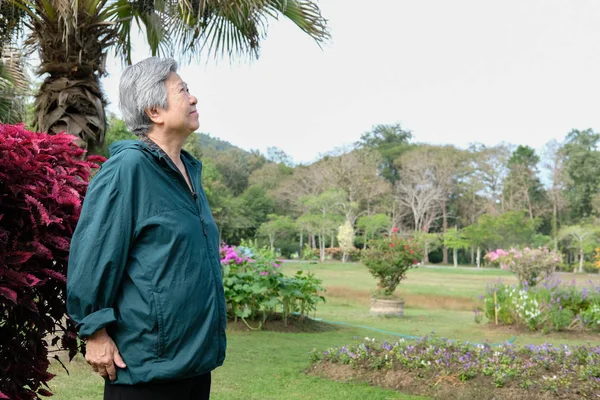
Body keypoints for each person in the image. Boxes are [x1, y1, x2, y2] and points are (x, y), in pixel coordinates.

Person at [66, 57, 226, 400]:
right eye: (183, 90)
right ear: (155, 110)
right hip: (146, 372)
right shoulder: (128, 168)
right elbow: (92, 254)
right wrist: (94, 330)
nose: (193, 97)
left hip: (195, 364)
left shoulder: (189, 171)